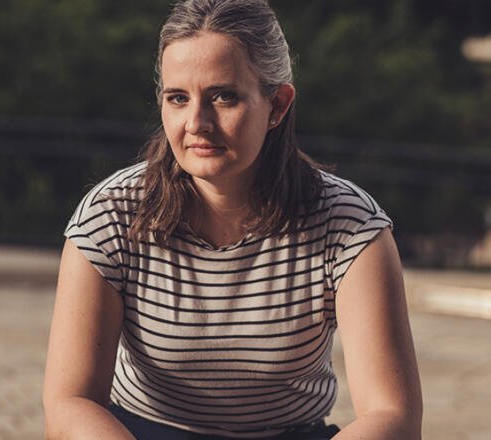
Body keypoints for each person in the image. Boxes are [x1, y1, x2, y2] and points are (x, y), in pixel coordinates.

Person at [42, 0, 422, 439]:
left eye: (224, 96)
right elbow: (70, 403)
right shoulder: (110, 214)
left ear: (277, 105)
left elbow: (393, 415)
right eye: (178, 98)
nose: (196, 123)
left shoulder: (349, 225)